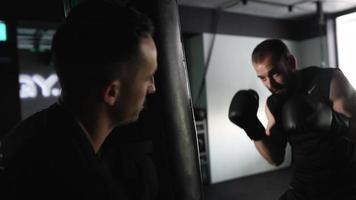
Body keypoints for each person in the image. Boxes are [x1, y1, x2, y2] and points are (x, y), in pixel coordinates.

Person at [0, 0, 157, 199]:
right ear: (111, 93)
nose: (152, 87)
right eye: (147, 77)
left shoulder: (29, 134)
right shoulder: (85, 185)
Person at [229, 39, 356, 200]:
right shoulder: (274, 104)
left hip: (346, 185)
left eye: (275, 73)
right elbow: (275, 158)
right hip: (303, 188)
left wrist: (333, 122)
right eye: (262, 78)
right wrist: (253, 129)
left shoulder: (329, 81)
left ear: (291, 62)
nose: (270, 84)